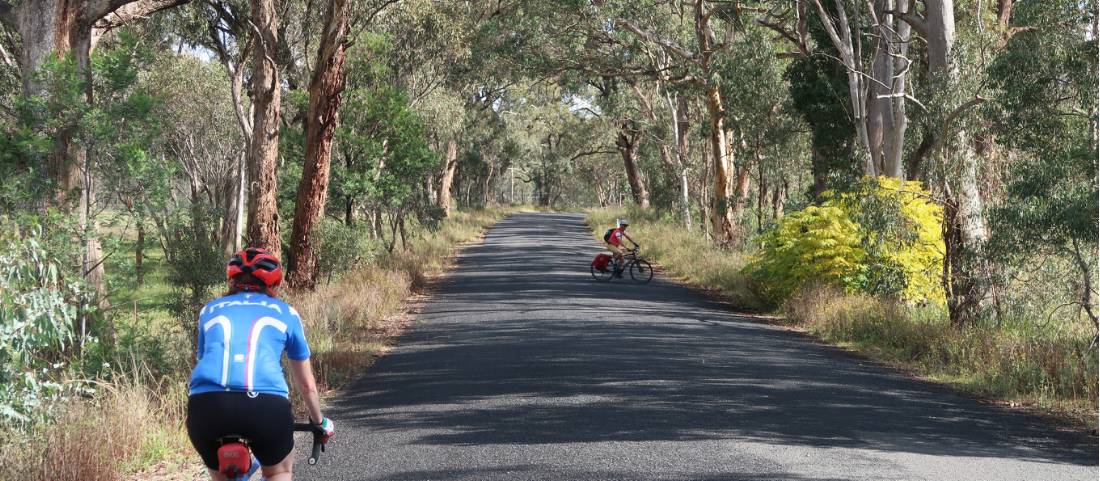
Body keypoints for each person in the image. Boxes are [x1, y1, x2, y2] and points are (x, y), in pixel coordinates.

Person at [186, 247, 334, 481]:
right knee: (280, 470)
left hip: (206, 407)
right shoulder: (287, 312)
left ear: (232, 279)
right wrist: (319, 423)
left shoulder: (209, 310)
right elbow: (307, 386)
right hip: (265, 406)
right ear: (274, 283)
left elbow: (203, 359)